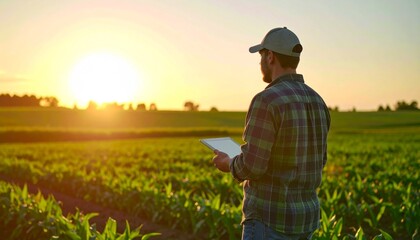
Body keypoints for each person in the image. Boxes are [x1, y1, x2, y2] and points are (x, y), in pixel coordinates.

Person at [212, 27, 331, 240]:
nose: (260, 64)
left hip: (270, 221)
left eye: (261, 56)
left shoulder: (266, 100)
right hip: (306, 221)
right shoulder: (318, 101)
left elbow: (252, 166)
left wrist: (228, 163)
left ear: (270, 56)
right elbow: (319, 160)